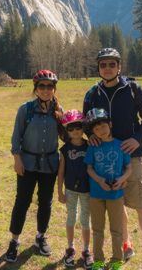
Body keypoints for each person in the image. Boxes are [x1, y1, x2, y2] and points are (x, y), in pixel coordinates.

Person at [83, 48, 142, 270]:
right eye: (103, 64)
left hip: (131, 157)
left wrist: (137, 139)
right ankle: (126, 244)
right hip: (104, 160)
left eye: (112, 64)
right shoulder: (92, 94)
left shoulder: (132, 89)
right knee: (116, 204)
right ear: (98, 68)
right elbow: (86, 124)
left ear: (119, 66)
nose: (107, 68)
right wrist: (91, 135)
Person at [5, 69, 64, 263]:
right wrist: (17, 159)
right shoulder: (25, 110)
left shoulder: (58, 111)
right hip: (27, 164)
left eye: (50, 86)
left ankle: (40, 237)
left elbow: (67, 135)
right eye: (42, 86)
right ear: (36, 89)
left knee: (45, 202)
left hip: (49, 165)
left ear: (54, 89)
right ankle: (14, 241)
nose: (46, 90)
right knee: (22, 201)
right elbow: (16, 137)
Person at [84, 108, 131, 270]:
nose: (100, 131)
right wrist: (100, 180)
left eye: (103, 126)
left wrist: (122, 179)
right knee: (97, 229)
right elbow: (89, 168)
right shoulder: (93, 146)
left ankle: (117, 259)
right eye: (96, 129)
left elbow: (129, 168)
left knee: (116, 229)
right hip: (96, 194)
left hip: (116, 195)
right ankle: (98, 259)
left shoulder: (121, 145)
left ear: (110, 124)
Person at [57, 110, 94, 269]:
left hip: (87, 190)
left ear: (83, 128)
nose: (75, 131)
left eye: (78, 127)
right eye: (70, 128)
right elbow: (61, 171)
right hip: (70, 190)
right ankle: (70, 248)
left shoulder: (90, 145)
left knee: (85, 220)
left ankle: (86, 250)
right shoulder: (64, 149)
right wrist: (59, 191)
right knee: (71, 217)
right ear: (67, 131)